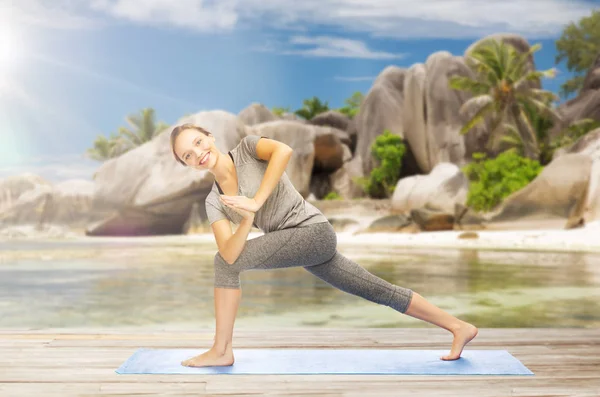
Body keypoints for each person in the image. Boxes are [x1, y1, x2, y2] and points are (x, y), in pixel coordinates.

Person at [170, 123, 478, 368]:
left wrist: (255, 201)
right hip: (303, 247)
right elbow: (229, 251)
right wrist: (248, 218)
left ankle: (222, 349)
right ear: (188, 166)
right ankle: (458, 327)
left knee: (222, 265)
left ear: (209, 136)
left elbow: (283, 151)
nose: (196, 153)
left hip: (313, 233)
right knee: (376, 289)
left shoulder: (248, 149)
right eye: (187, 155)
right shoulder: (215, 201)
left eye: (197, 142)